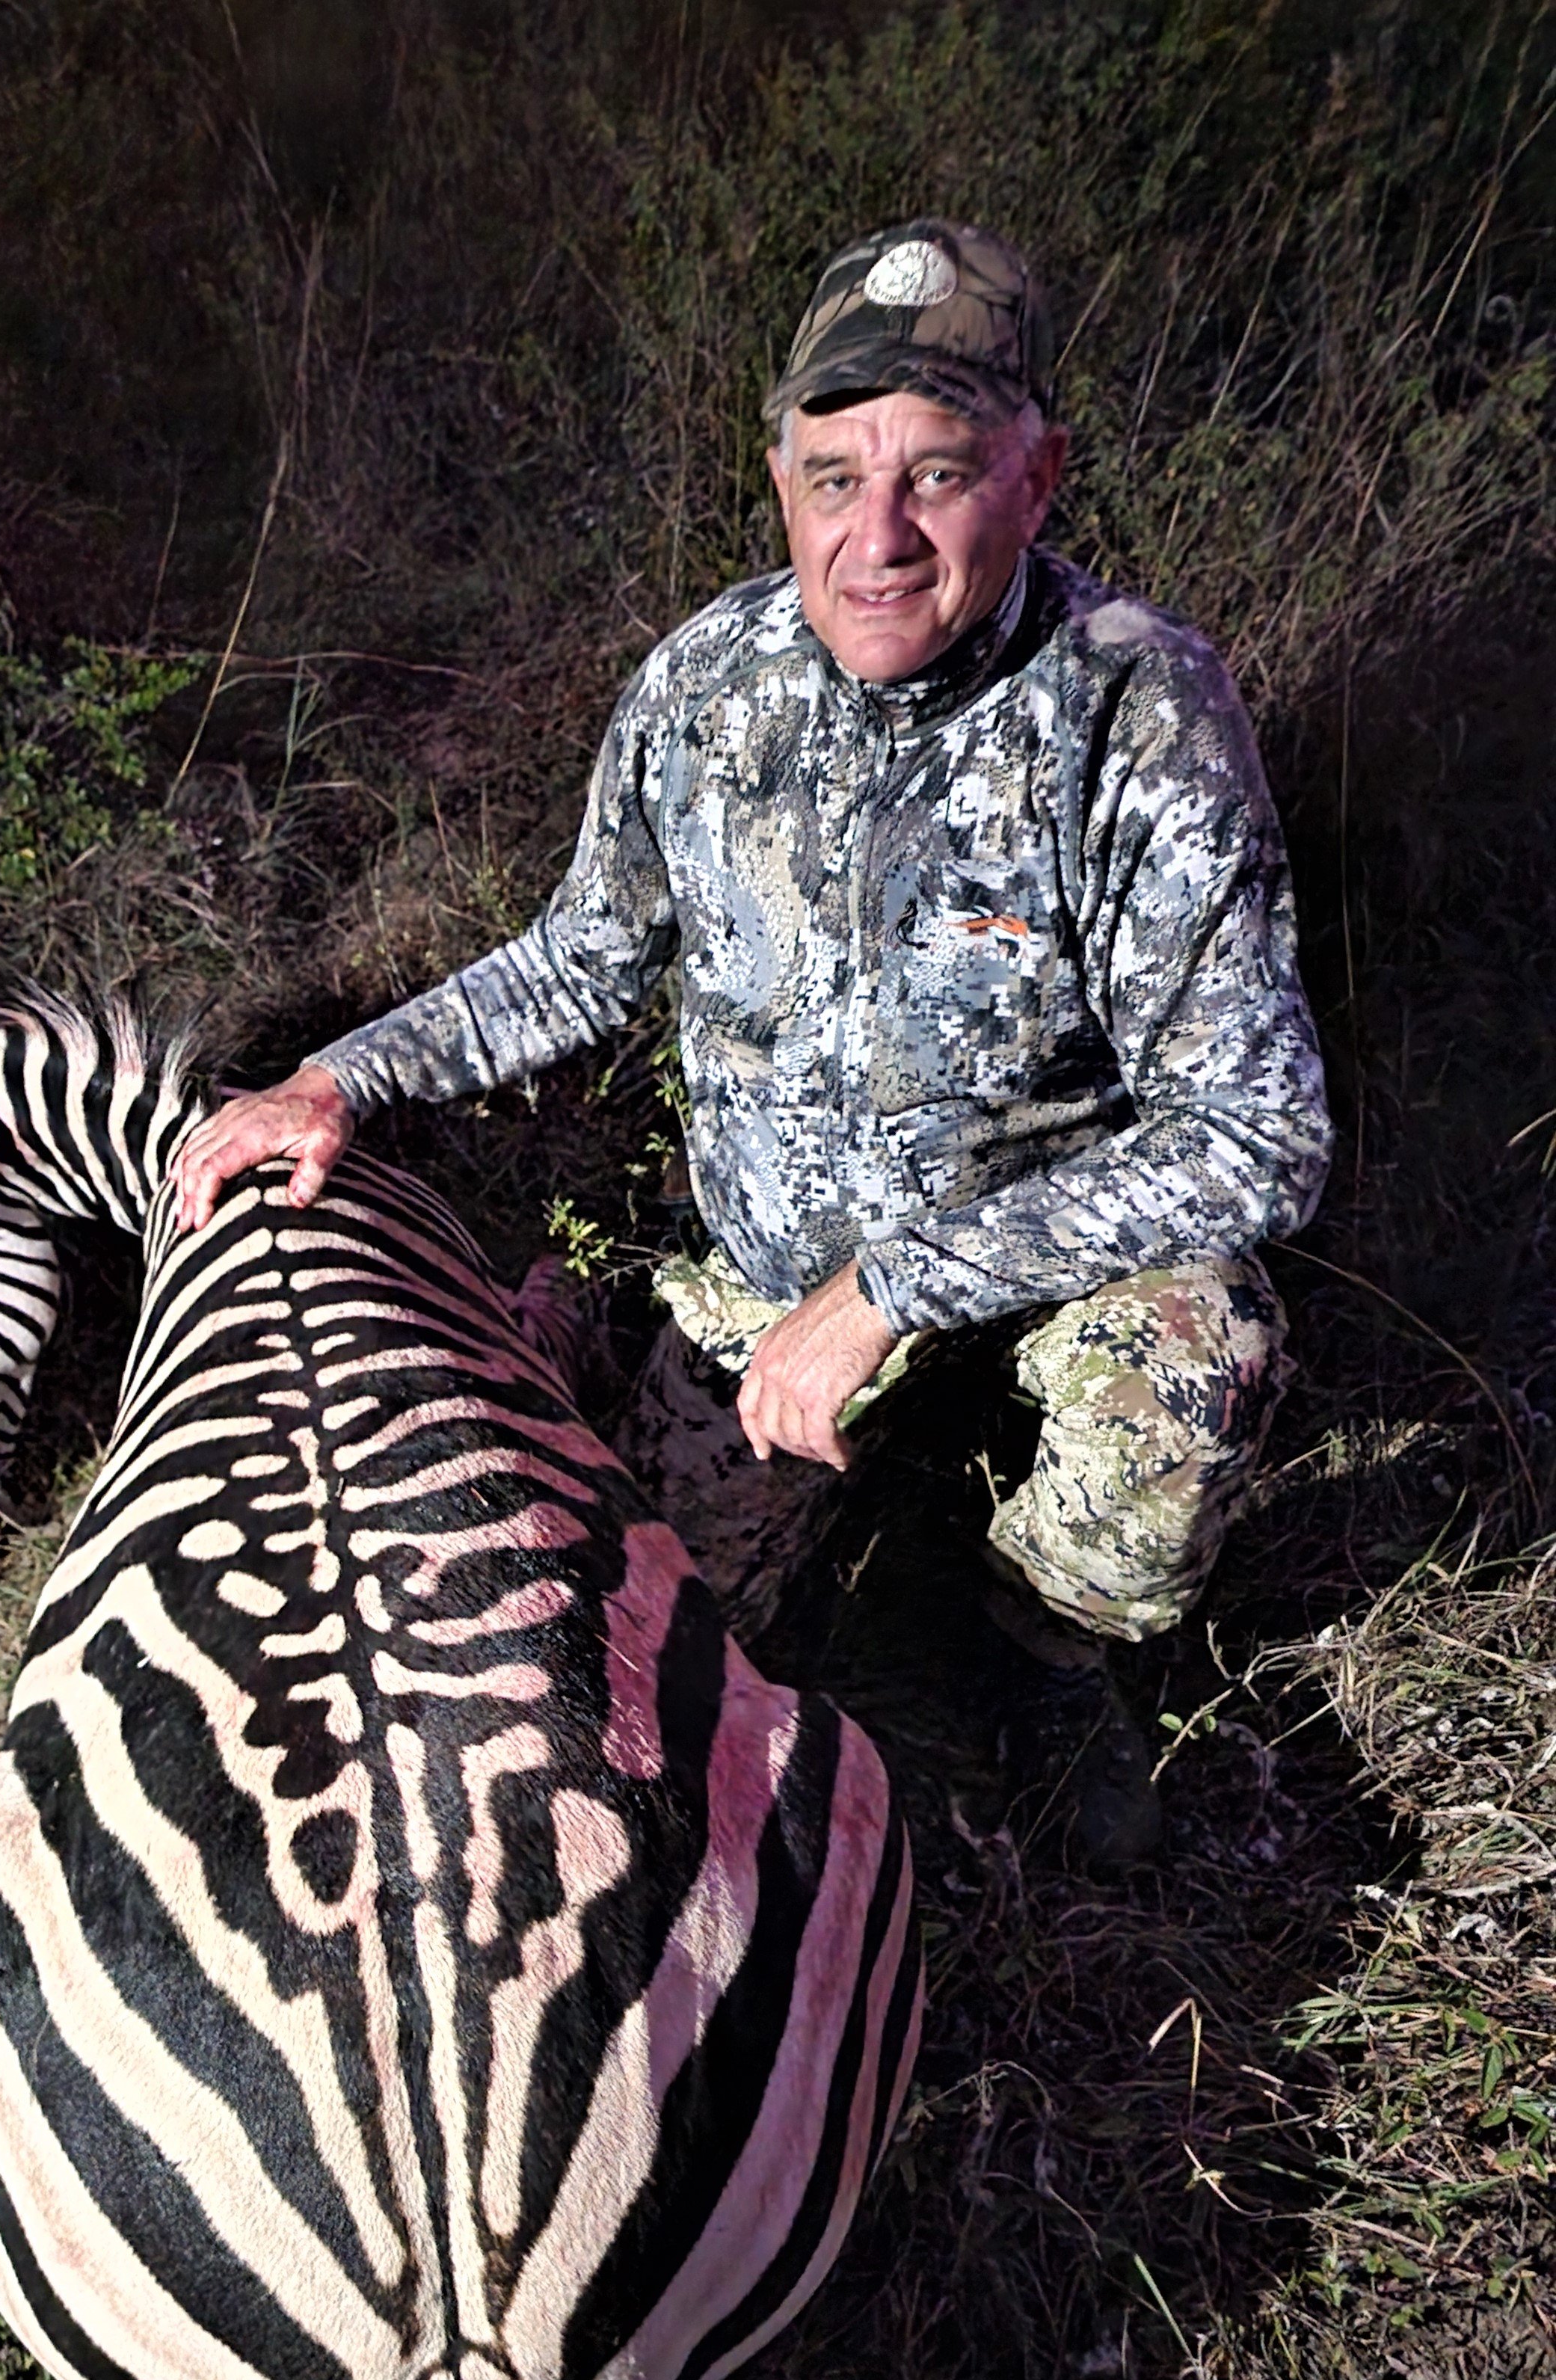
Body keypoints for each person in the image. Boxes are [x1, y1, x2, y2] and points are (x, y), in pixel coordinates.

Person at [173, 218, 1333, 1866]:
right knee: (637, 1652)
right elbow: (577, 962)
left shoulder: (1137, 704)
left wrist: (894, 1291)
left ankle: (1047, 1642)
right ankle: (849, 1488)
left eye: (938, 473)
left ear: (1039, 475)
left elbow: (1260, 1130)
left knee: (1200, 1359)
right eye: (833, 472)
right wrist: (338, 1075)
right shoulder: (701, 690)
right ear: (776, 473)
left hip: (1046, 1259)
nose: (880, 536)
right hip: (763, 1280)